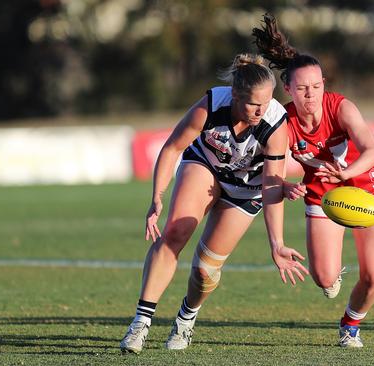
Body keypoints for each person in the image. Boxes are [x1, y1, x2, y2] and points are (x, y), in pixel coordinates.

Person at [119, 53, 309, 354]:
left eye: (267, 102)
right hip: (205, 166)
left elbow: (272, 185)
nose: (261, 110)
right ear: (235, 95)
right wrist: (157, 197)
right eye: (253, 104)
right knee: (174, 234)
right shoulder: (211, 105)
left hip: (246, 190)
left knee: (205, 271)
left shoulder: (274, 125)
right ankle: (141, 322)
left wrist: (277, 243)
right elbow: (172, 148)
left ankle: (186, 317)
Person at [253, 14, 374, 348]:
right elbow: (272, 170)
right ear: (288, 89)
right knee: (325, 278)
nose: (310, 95)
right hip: (322, 193)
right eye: (302, 88)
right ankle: (332, 275)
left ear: (324, 85)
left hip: (366, 188)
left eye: (317, 86)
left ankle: (350, 325)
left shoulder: (341, 107)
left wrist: (346, 172)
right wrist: (287, 186)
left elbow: (373, 149)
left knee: (373, 279)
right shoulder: (283, 122)